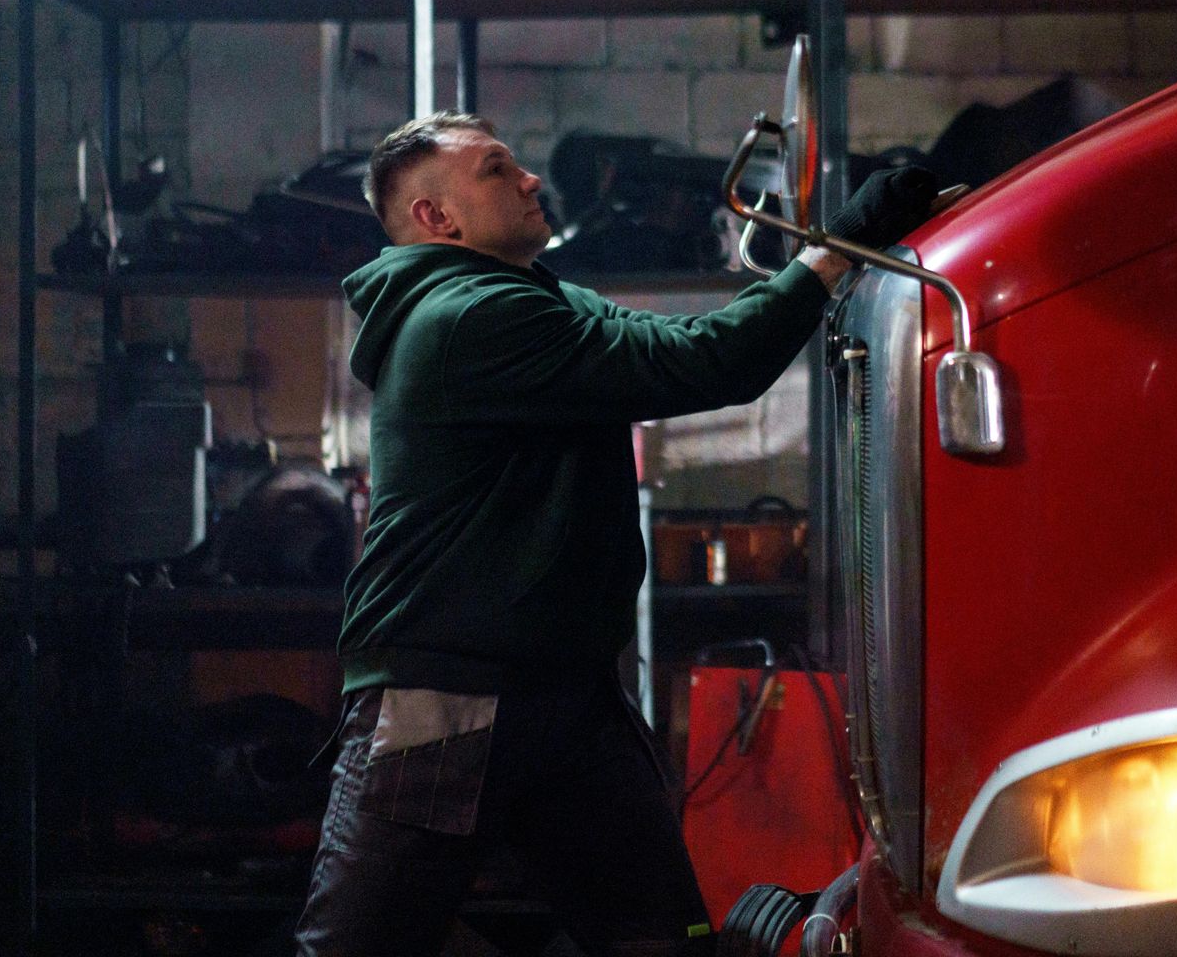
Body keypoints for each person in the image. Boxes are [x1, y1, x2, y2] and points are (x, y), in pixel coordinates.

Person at [294, 112, 939, 957]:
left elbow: (697, 347)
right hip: (449, 694)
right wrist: (834, 252)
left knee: (657, 940)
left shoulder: (541, 301)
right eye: (497, 170)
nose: (530, 179)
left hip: (566, 694)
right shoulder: (468, 316)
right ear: (436, 217)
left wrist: (829, 258)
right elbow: (712, 363)